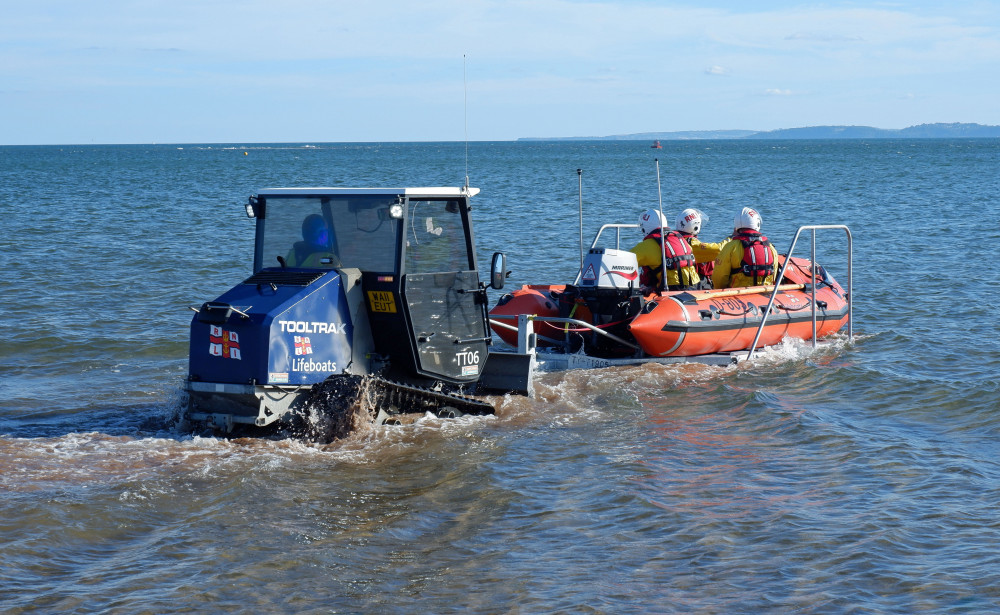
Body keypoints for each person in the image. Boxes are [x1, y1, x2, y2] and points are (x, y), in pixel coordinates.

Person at [629, 208, 700, 292]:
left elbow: (626, 260)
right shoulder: (680, 238)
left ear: (645, 228)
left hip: (672, 288)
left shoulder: (647, 245)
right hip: (695, 285)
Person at [712, 207, 779, 289]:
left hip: (737, 295)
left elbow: (719, 276)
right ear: (757, 223)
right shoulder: (770, 247)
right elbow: (774, 274)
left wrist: (719, 291)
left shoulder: (731, 247)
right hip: (765, 293)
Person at [674, 208, 724, 285]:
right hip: (698, 283)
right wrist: (732, 238)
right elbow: (719, 250)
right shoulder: (692, 244)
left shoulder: (676, 241)